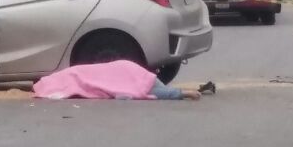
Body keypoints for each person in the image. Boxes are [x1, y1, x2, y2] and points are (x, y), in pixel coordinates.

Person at [33, 60, 202, 100]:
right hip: (128, 69)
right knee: (152, 87)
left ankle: (184, 93)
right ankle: (185, 93)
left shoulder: (70, 75)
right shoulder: (72, 73)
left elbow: (82, 83)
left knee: (150, 91)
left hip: (125, 73)